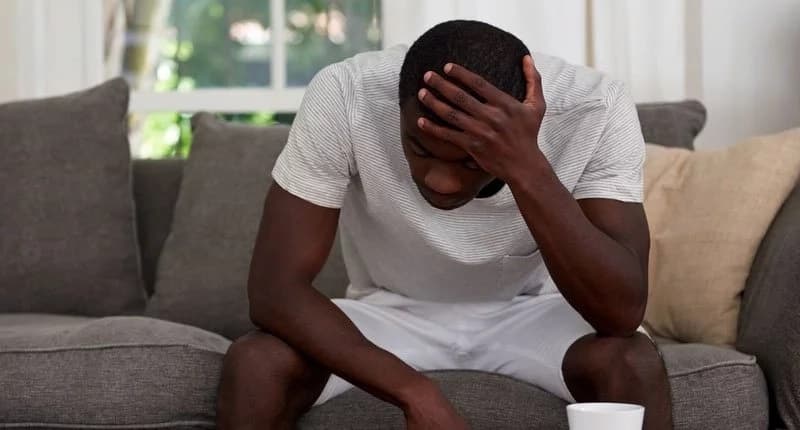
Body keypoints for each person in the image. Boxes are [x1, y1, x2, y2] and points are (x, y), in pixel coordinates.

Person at [216, 20, 672, 430]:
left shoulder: (595, 105)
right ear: (396, 104)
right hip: (390, 312)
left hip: (531, 312)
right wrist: (415, 392)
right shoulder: (347, 92)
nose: (442, 180)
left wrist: (524, 165)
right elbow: (274, 292)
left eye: (471, 159)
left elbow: (621, 312)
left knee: (632, 364)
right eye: (420, 148)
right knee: (257, 362)